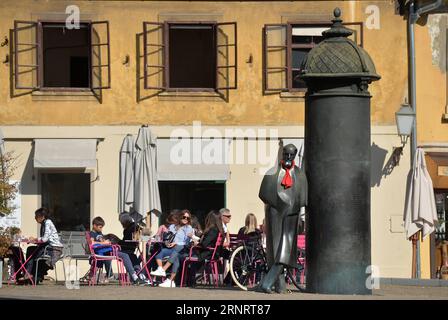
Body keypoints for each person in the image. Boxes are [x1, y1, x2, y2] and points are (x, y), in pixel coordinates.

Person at [151, 209, 193, 288]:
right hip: (171, 249)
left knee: (177, 251)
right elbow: (168, 237)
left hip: (182, 251)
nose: (186, 219)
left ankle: (165, 273)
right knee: (160, 250)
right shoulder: (172, 226)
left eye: (188, 218)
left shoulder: (188, 228)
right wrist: (166, 241)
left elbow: (187, 243)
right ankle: (162, 271)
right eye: (184, 217)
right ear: (180, 217)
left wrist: (176, 243)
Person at [24, 208, 63, 284]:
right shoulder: (44, 223)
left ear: (42, 216)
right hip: (48, 247)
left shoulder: (47, 223)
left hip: (53, 249)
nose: (35, 218)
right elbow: (46, 240)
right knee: (31, 250)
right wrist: (35, 241)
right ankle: (31, 274)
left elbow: (44, 239)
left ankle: (29, 273)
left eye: (36, 216)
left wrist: (34, 239)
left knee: (31, 252)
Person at [80, 216, 114, 283]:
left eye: (102, 227)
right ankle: (108, 274)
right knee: (105, 258)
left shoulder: (99, 233)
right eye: (100, 227)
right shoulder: (92, 233)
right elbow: (92, 243)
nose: (101, 229)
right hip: (96, 252)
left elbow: (102, 240)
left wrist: (106, 241)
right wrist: (103, 243)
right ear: (94, 226)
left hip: (102, 252)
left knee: (108, 256)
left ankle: (109, 274)